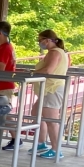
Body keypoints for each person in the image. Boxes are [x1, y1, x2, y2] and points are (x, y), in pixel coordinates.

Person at [30, 29, 69, 159]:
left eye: (40, 40)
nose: (39, 42)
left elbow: (48, 70)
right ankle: (41, 143)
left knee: (51, 121)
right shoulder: (56, 52)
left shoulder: (54, 53)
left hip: (52, 89)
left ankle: (57, 149)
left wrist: (32, 73)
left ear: (47, 40)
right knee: (36, 113)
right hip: (47, 89)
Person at [0, 21, 20, 151]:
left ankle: (16, 138)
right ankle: (15, 138)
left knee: (4, 113)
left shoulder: (4, 49)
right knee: (3, 112)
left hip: (2, 85)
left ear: (0, 33)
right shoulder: (5, 47)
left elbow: (0, 69)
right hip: (2, 85)